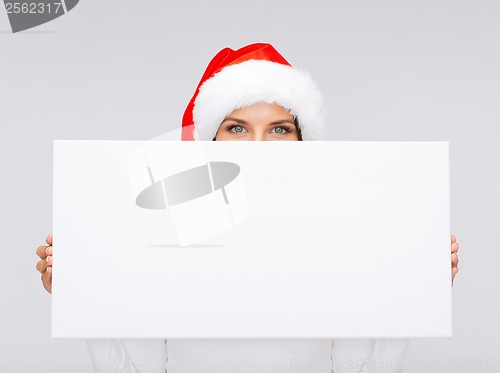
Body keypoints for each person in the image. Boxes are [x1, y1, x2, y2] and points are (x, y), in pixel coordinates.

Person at [36, 43, 460, 373]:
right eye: (237, 127)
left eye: (279, 129)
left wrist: (414, 287)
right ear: (212, 141)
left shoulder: (338, 239)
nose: (258, 146)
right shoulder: (168, 234)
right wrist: (85, 293)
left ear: (301, 143)